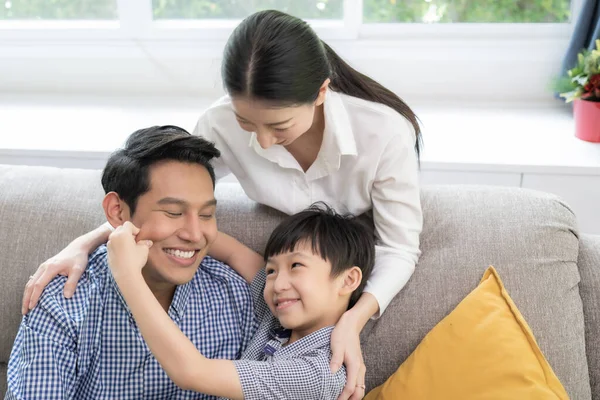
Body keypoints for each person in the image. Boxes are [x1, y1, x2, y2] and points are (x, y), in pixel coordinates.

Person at [22, 9, 423, 399]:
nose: (262, 142)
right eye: (248, 124)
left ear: (321, 92)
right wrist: (91, 240)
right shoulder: (272, 311)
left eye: (278, 126)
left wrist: (353, 322)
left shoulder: (318, 368)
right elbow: (176, 198)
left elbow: (400, 247)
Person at [6, 126, 258, 400]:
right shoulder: (64, 301)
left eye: (208, 214)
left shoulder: (235, 296)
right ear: (117, 211)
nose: (196, 235)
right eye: (173, 212)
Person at [107, 203, 375, 399]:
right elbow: (231, 251)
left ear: (348, 280)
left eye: (296, 266)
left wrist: (128, 274)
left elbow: (191, 372)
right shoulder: (278, 316)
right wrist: (135, 230)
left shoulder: (318, 372)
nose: (278, 284)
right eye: (271, 270)